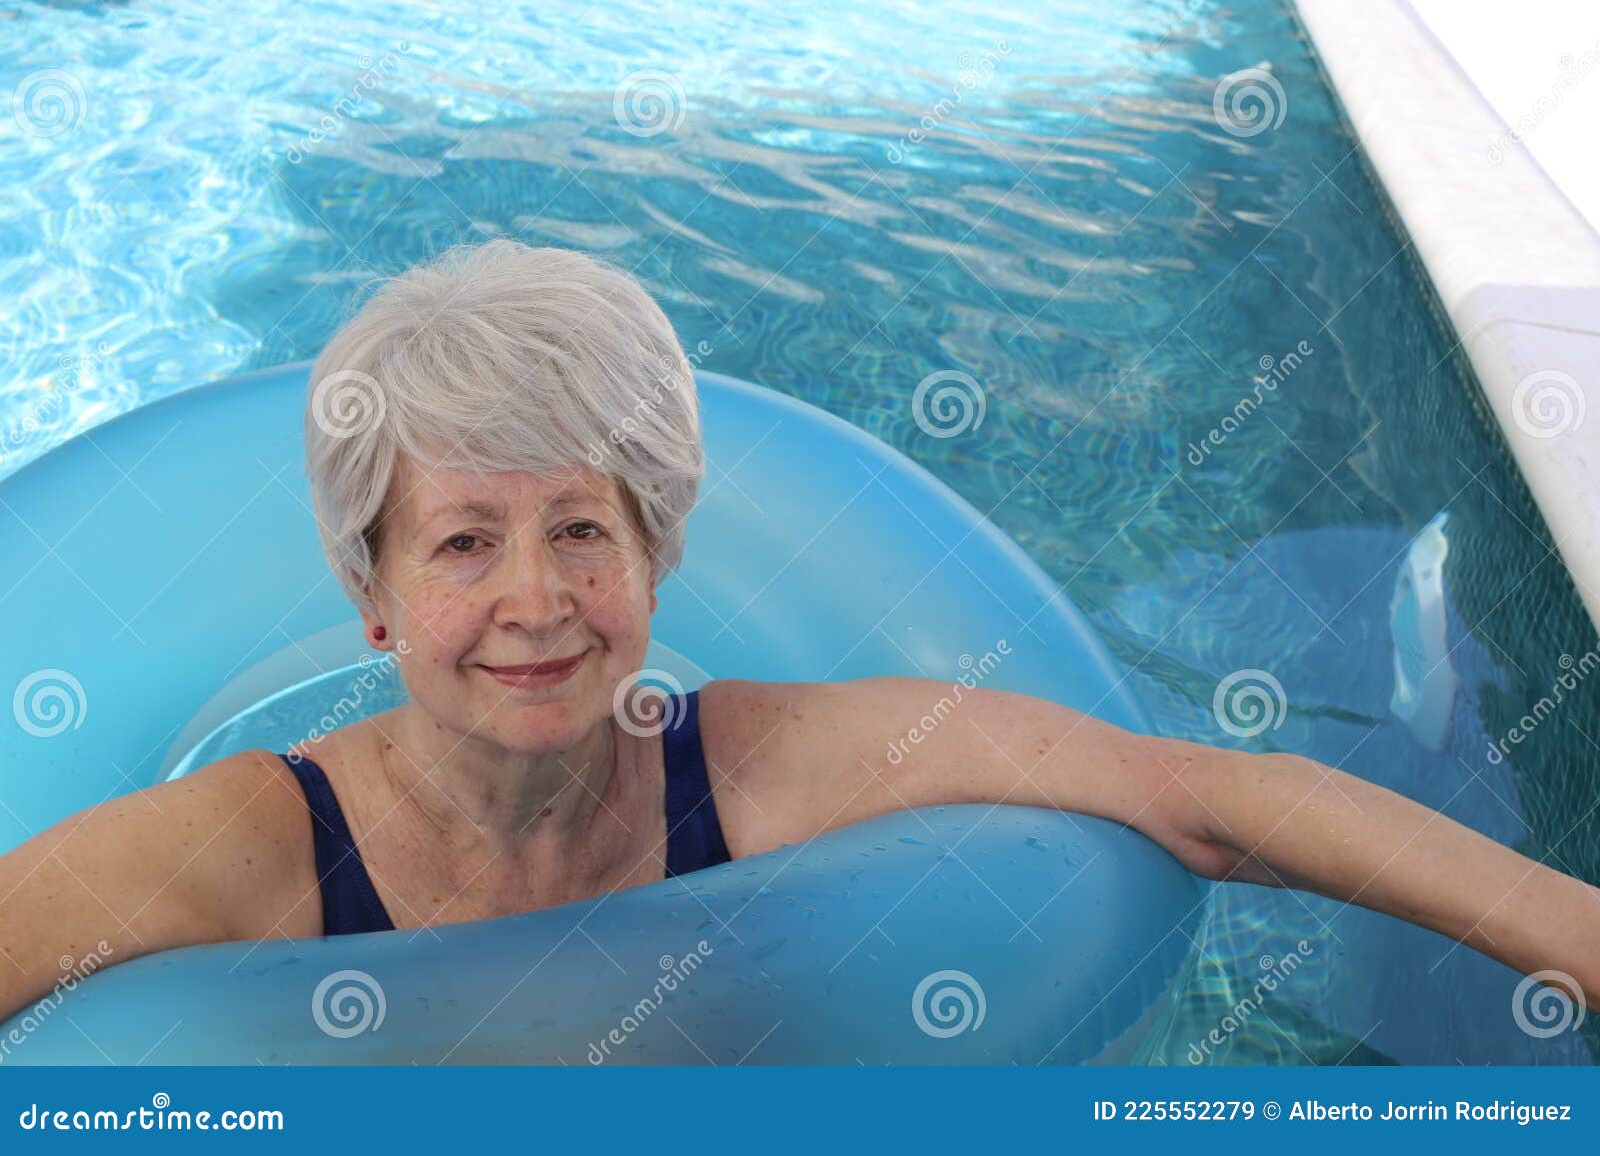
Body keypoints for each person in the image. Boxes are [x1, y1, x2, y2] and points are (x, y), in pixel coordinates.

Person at [2, 240, 1595, 1028]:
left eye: (582, 530)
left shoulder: (748, 768)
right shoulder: (262, 846)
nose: (537, 602)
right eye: (465, 544)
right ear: (372, 591)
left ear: (658, 546)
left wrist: (1571, 932)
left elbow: (1195, 792)